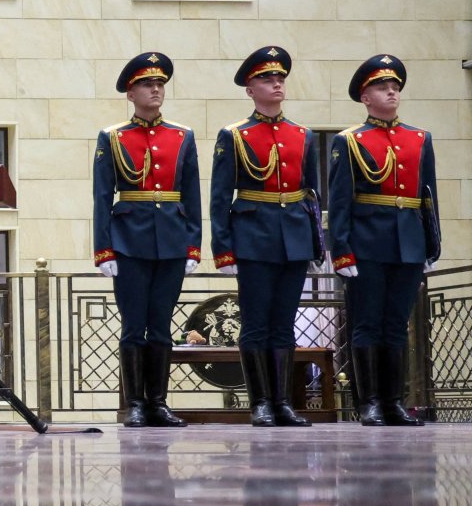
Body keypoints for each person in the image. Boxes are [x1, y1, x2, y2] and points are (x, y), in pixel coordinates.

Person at [210, 45, 318, 428]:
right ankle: (260, 404)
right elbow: (220, 197)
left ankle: (282, 402)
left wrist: (316, 243)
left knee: (284, 323)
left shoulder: (301, 135)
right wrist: (223, 250)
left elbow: (312, 194)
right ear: (250, 89)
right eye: (267, 79)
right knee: (256, 323)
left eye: (280, 78)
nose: (276, 83)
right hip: (253, 236)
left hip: (294, 238)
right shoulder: (235, 135)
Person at [328, 55, 437, 427]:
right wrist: (341, 251)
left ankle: (394, 401)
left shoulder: (419, 138)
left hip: (408, 242)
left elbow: (427, 196)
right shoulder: (350, 141)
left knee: (396, 325)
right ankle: (369, 402)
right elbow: (339, 201)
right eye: (381, 87)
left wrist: (430, 245)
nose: (391, 92)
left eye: (395, 87)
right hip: (367, 243)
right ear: (365, 97)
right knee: (367, 324)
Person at [93, 52, 200, 428]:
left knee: (162, 326)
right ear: (130, 93)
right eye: (146, 84)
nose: (155, 90)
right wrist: (103, 248)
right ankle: (135, 403)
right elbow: (102, 196)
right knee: (133, 325)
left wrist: (193, 244)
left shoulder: (181, 136)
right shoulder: (113, 137)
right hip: (128, 241)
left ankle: (158, 402)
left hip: (171, 239)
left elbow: (192, 194)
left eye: (159, 84)